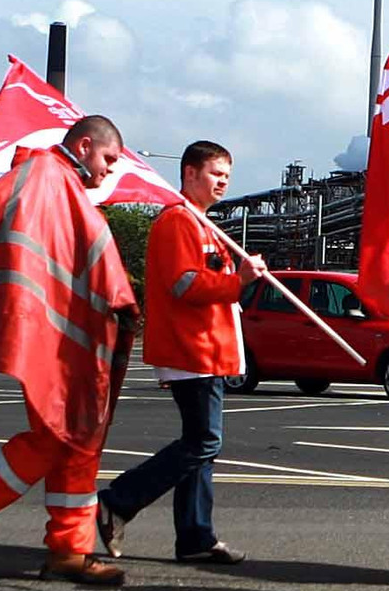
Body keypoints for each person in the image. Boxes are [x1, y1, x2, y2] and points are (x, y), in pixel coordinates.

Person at [0, 114, 139, 587]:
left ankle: (68, 550)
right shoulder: (43, 177)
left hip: (70, 339)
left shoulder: (61, 186)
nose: (110, 172)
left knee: (77, 441)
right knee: (61, 437)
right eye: (108, 159)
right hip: (57, 342)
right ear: (82, 146)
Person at [95, 139, 265, 566]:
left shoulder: (205, 224)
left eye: (227, 175)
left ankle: (194, 536)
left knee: (201, 445)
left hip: (210, 350)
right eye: (214, 173)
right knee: (203, 441)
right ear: (189, 174)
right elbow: (183, 284)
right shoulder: (178, 222)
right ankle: (118, 500)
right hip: (193, 350)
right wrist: (238, 280)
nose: (223, 181)